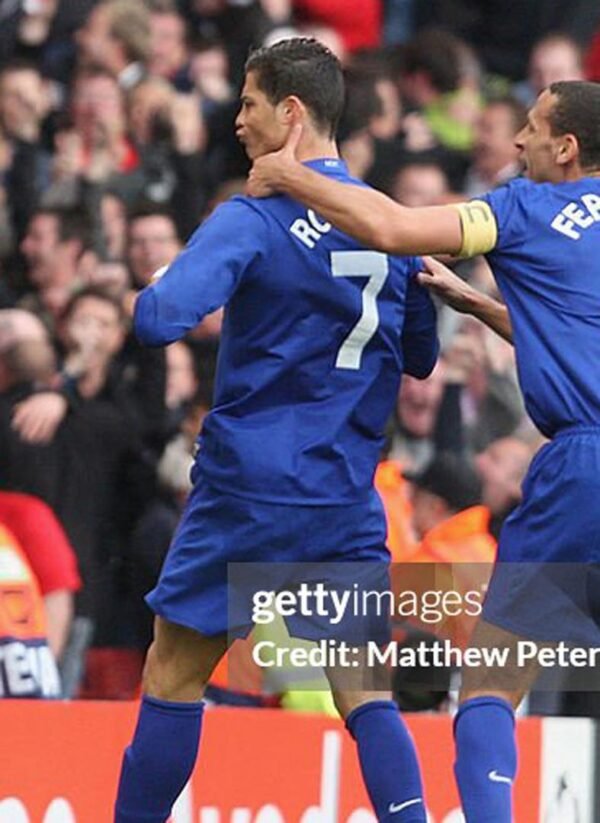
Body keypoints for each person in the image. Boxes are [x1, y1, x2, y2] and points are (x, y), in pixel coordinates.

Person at [247, 80, 600, 823]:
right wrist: (486, 308)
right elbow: (581, 335)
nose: (515, 144)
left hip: (584, 472)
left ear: (565, 149)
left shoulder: (524, 208)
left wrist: (289, 175)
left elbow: (389, 226)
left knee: (490, 689)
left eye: (531, 130)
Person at [114, 37, 439, 823]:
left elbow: (159, 319)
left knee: (174, 675)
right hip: (342, 493)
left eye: (249, 103)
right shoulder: (392, 226)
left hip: (245, 489)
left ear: (290, 114)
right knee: (364, 695)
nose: (236, 119)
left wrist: (171, 275)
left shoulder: (252, 217)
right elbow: (422, 357)